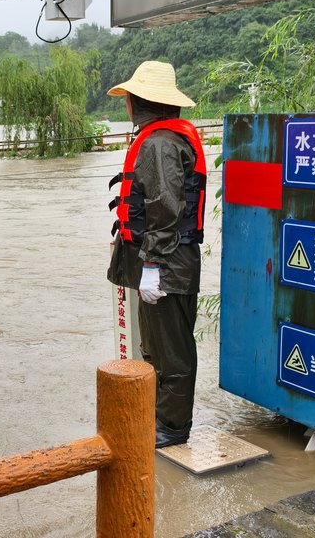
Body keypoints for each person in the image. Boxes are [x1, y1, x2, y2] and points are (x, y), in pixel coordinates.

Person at [106, 60, 206, 449]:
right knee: (157, 348)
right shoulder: (159, 139)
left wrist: (150, 266)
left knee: (173, 353)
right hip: (168, 263)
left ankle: (173, 429)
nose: (126, 105)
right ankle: (161, 419)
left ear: (139, 102)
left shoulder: (159, 143)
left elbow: (165, 208)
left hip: (166, 266)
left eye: (129, 99)